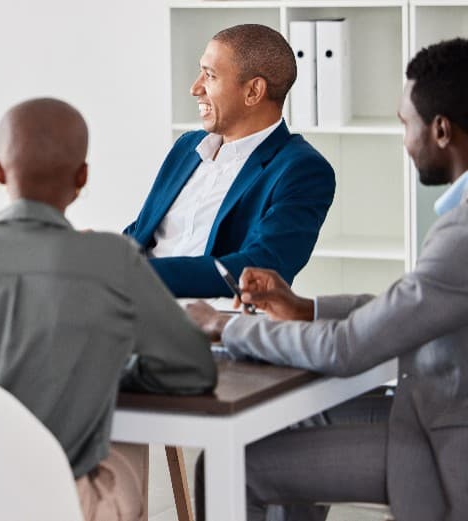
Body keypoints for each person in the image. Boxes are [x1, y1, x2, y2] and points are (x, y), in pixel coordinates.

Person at [0, 98, 217, 521]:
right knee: (121, 435)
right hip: (52, 505)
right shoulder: (112, 257)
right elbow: (194, 369)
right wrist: (107, 370)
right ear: (82, 178)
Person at [186, 38, 468, 521]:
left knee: (233, 465)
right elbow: (408, 305)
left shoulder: (461, 233)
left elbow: (346, 349)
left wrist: (225, 326)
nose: (405, 142)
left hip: (442, 432)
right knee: (296, 416)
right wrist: (305, 308)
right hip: (435, 405)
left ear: (440, 129)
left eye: (406, 124)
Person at [124, 24, 335, 298]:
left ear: (253, 92)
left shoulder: (301, 169)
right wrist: (100, 254)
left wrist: (136, 275)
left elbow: (263, 267)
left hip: (205, 319)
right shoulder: (187, 147)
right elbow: (143, 231)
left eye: (209, 76)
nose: (194, 88)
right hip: (130, 304)